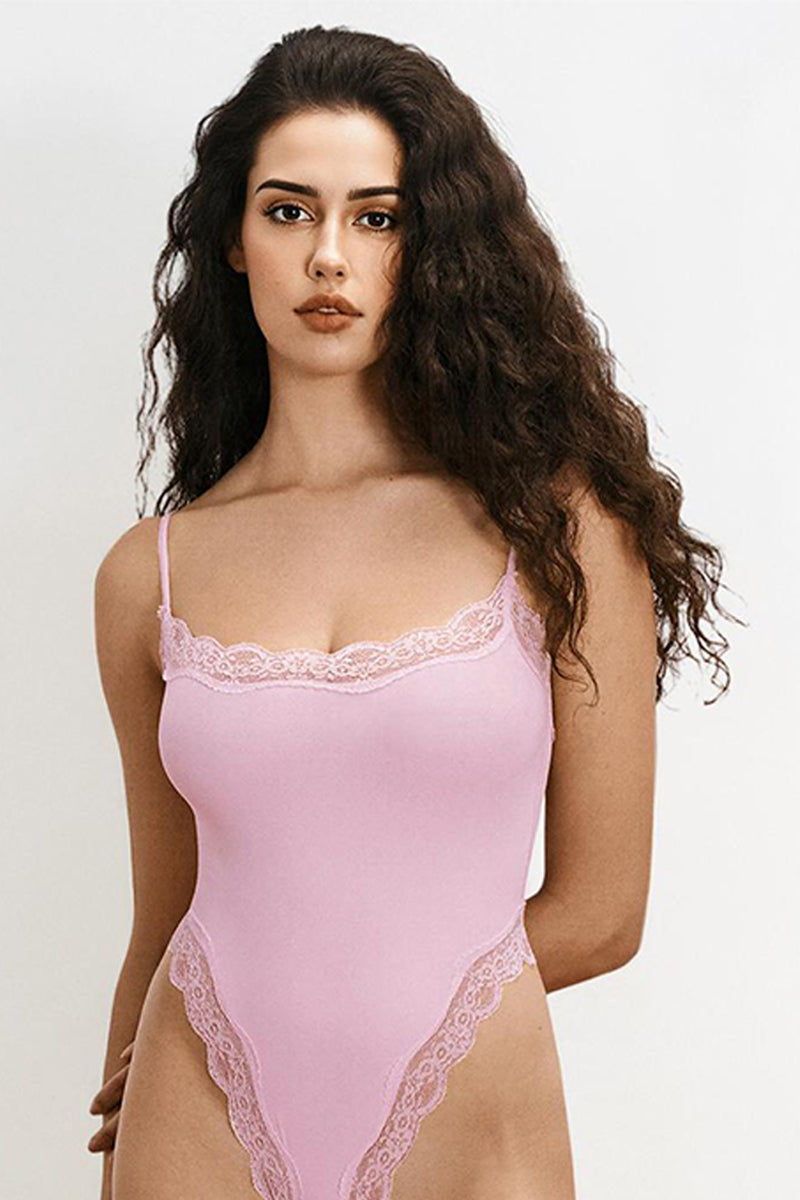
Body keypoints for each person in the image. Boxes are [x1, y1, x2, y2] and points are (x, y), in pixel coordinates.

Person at [87, 25, 736, 1200]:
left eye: (376, 217)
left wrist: (385, 1012)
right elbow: (166, 912)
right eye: (288, 211)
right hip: (196, 1110)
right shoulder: (151, 575)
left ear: (428, 244)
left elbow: (601, 911)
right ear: (233, 238)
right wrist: (125, 1080)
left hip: (466, 1112)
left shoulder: (556, 529)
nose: (328, 256)